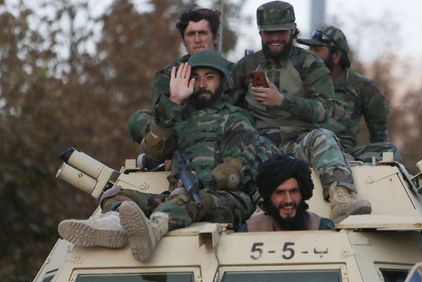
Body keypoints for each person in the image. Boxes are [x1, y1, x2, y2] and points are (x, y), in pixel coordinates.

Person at [58, 51, 261, 262]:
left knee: (186, 201)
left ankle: (152, 231)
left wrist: (205, 179)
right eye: (196, 78)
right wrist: (174, 101)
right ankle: (112, 226)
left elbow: (237, 168)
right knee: (117, 195)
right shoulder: (180, 119)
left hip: (227, 201)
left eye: (209, 77)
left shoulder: (235, 118)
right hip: (177, 197)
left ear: (222, 81)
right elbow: (154, 150)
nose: (202, 84)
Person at [230, 1, 371, 223]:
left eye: (281, 32)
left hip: (301, 139)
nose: (275, 38)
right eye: (269, 33)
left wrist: (284, 101)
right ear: (260, 33)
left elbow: (324, 111)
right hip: (260, 143)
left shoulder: (310, 64)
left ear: (292, 30)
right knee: (239, 143)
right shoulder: (247, 66)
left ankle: (341, 197)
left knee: (324, 138)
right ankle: (260, 205)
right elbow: (228, 108)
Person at [297, 26, 401, 163]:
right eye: (310, 50)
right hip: (306, 150)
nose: (310, 55)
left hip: (346, 155)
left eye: (317, 50)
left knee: (390, 152)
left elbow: (379, 134)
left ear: (336, 56)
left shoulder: (362, 87)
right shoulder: (299, 81)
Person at [128, 6, 226, 143]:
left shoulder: (233, 71)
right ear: (184, 40)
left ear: (216, 38)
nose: (197, 40)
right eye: (191, 34)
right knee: (139, 119)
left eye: (203, 33)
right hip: (183, 135)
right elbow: (161, 121)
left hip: (225, 132)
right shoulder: (169, 75)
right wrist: (175, 99)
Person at [240, 155, 334, 231]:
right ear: (269, 195)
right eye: (280, 193)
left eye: (294, 191)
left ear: (302, 193)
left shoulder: (321, 228)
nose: (288, 200)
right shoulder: (250, 230)